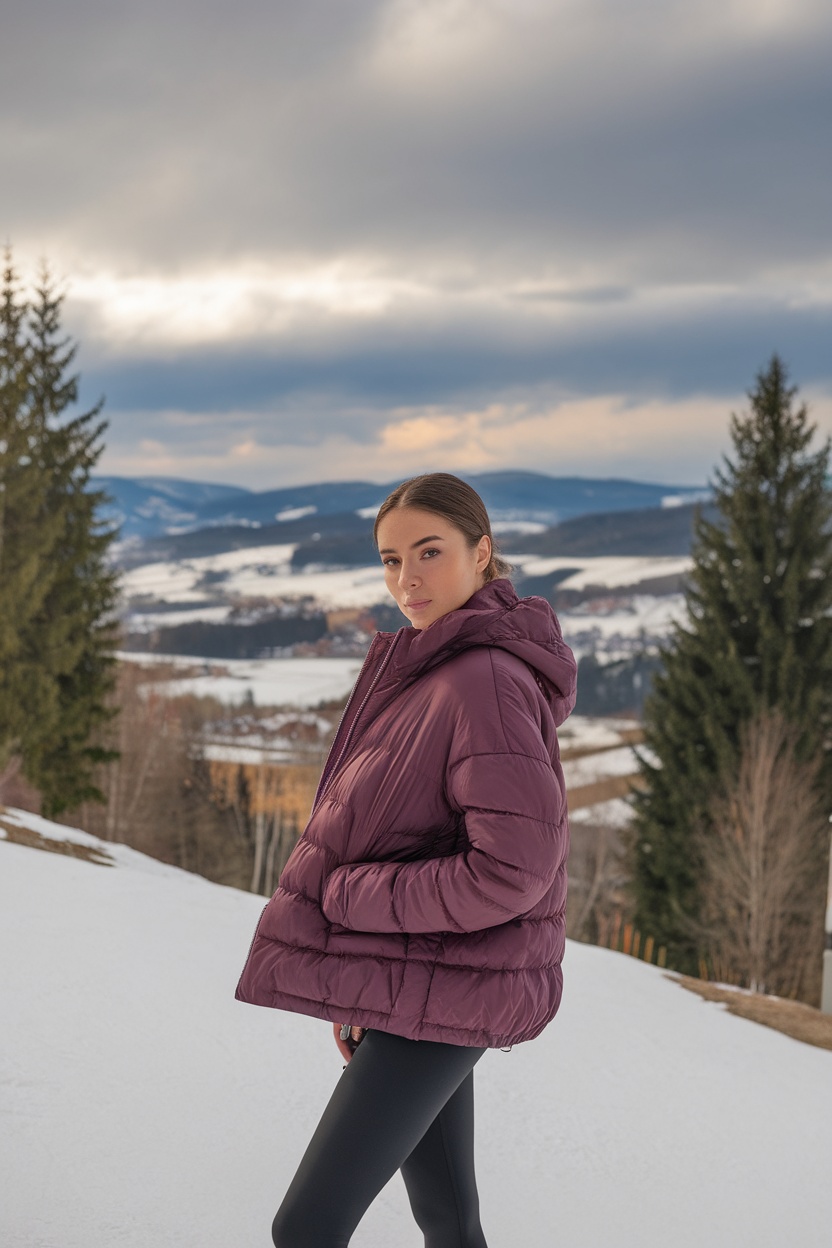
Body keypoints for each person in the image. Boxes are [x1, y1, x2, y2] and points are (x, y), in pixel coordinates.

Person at [235, 472, 577, 1248]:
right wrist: (367, 980)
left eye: (429, 552)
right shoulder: (442, 666)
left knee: (306, 1227)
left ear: (481, 551)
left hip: (450, 987)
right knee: (450, 1220)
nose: (407, 579)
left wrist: (353, 902)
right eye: (391, 560)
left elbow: (512, 870)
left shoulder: (482, 678)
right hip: (430, 981)